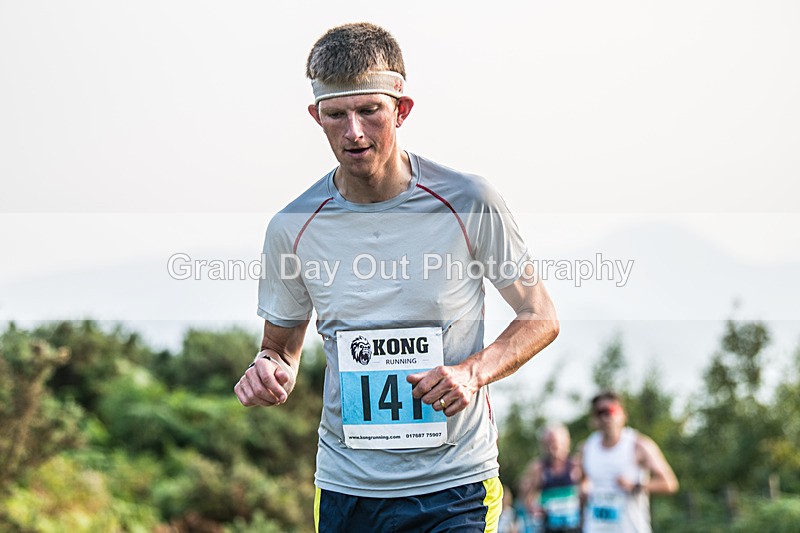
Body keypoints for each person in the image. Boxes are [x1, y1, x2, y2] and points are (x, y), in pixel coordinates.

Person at [233, 22, 559, 532]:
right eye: (336, 115)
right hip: (348, 488)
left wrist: (472, 373)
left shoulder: (468, 201)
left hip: (456, 484)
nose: (354, 132)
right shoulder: (293, 227)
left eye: (369, 111)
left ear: (401, 110)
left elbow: (539, 316)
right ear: (316, 116)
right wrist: (270, 371)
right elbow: (280, 349)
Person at [579, 391, 679, 533]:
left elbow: (670, 484)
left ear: (623, 414)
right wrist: (584, 488)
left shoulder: (639, 445)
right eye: (599, 412)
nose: (605, 417)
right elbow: (583, 480)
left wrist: (635, 486)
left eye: (610, 411)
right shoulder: (587, 448)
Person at [519, 424, 582, 533]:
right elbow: (526, 496)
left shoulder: (576, 465)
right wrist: (534, 508)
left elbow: (587, 488)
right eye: (548, 443)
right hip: (549, 527)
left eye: (555, 443)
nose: (553, 448)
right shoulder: (538, 468)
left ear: (566, 443)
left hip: (574, 526)